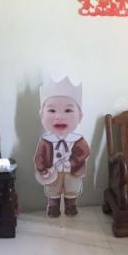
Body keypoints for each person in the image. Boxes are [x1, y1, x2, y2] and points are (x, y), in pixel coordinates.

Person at [34, 77, 90, 217]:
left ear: (80, 115)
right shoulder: (46, 140)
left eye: (68, 110)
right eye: (52, 110)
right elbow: (39, 157)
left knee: (72, 188)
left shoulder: (78, 139)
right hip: (52, 171)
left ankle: (71, 206)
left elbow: (84, 151)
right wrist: (42, 169)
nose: (59, 116)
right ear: (42, 115)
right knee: (53, 189)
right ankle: (53, 207)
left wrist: (73, 161)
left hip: (72, 171)